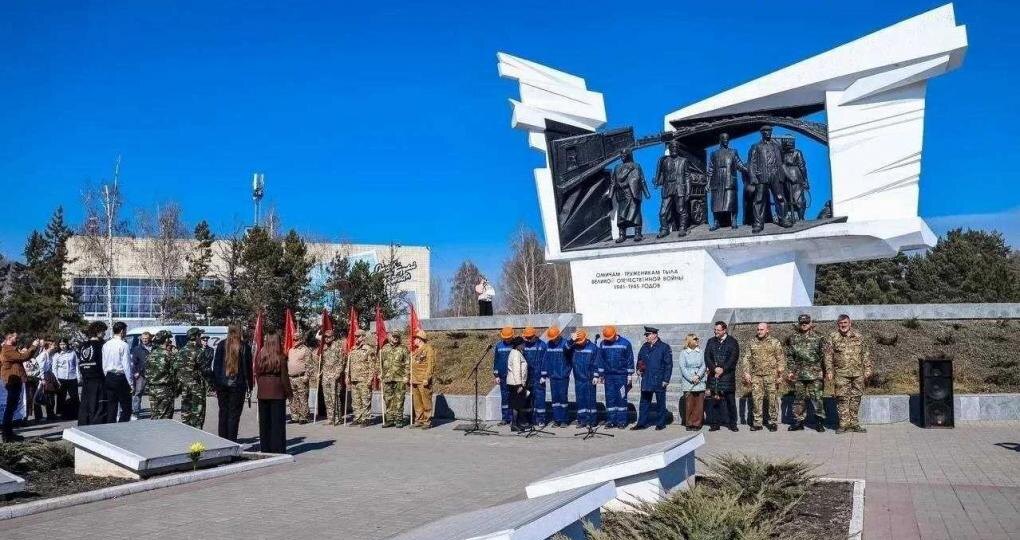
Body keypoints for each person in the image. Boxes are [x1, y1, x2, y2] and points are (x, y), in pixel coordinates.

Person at [826, 314, 872, 433]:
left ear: (850, 323)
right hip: (841, 373)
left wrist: (867, 369)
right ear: (838, 324)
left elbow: (865, 354)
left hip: (857, 373)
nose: (843, 325)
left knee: (856, 398)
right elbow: (828, 355)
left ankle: (854, 423)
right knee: (842, 398)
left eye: (845, 323)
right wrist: (829, 371)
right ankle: (843, 424)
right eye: (840, 323)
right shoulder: (833, 337)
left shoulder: (858, 336)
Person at [785, 314, 830, 432]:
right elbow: (790, 356)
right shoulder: (793, 338)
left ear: (810, 323)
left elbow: (826, 355)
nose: (804, 325)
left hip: (815, 374)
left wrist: (827, 371)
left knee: (817, 398)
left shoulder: (819, 337)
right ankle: (798, 422)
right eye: (801, 323)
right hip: (799, 374)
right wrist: (790, 371)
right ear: (799, 324)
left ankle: (819, 422)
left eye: (806, 322)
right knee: (799, 399)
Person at [741, 322, 786, 431]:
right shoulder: (752, 342)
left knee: (772, 399)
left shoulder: (774, 342)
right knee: (756, 399)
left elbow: (780, 358)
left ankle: (773, 422)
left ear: (767, 330)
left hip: (771, 375)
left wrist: (780, 375)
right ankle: (757, 423)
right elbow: (747, 358)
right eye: (758, 329)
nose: (759, 331)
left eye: (761, 329)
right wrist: (746, 372)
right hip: (756, 375)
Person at [746, 125, 789, 232]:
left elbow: (782, 162)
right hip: (762, 177)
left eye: (769, 130)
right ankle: (758, 223)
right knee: (759, 200)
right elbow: (751, 164)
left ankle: (783, 219)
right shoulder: (756, 146)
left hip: (776, 176)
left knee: (780, 198)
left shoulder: (777, 146)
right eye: (765, 131)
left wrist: (784, 176)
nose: (768, 132)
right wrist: (753, 177)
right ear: (761, 133)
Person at [212, 325, 251, 441]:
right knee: (234, 416)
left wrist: (216, 384)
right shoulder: (244, 347)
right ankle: (232, 441)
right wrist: (250, 386)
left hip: (222, 385)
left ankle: (222, 441)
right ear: (240, 332)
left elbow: (216, 366)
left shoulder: (221, 345)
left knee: (223, 413)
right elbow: (248, 368)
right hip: (238, 386)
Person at [255, 331, 292, 453]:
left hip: (263, 392)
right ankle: (278, 448)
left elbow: (257, 373)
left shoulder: (260, 356)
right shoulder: (281, 357)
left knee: (264, 422)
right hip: (277, 392)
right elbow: (284, 377)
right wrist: (289, 393)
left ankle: (265, 448)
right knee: (277, 422)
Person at [706, 132, 748, 230]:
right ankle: (716, 222)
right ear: (720, 140)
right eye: (724, 139)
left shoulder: (733, 152)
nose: (726, 141)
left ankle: (734, 221)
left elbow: (739, 164)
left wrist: (748, 170)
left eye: (727, 139)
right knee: (716, 203)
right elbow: (710, 169)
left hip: (729, 180)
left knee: (731, 201)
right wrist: (708, 183)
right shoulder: (714, 154)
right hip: (717, 181)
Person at [2, 333, 39, 442]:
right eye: (15, 337)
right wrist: (34, 346)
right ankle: (6, 436)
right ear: (9, 338)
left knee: (11, 409)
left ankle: (9, 434)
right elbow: (23, 357)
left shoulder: (11, 349)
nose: (17, 339)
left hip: (16, 381)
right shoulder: (7, 350)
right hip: (12, 381)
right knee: (9, 410)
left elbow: (25, 357)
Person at [633, 327, 672, 430]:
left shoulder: (664, 347)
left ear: (655, 335)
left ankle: (660, 423)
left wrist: (666, 379)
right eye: (646, 335)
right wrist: (638, 369)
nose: (646, 337)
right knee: (644, 402)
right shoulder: (644, 347)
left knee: (660, 403)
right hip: (646, 378)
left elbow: (668, 365)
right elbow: (640, 360)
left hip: (659, 379)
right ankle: (641, 423)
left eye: (648, 334)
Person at [596, 325, 634, 429]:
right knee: (610, 398)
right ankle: (611, 420)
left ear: (615, 335)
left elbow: (630, 359)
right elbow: (601, 360)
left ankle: (621, 421)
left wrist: (629, 376)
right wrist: (601, 375)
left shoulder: (625, 343)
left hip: (621, 376)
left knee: (621, 398)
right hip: (608, 376)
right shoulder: (603, 344)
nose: (608, 340)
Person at [609, 148, 650, 242]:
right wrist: (610, 196)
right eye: (621, 154)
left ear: (628, 155)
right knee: (621, 215)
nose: (622, 156)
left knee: (636, 214)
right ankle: (622, 235)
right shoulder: (617, 167)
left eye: (624, 154)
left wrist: (646, 193)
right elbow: (613, 182)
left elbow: (642, 180)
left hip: (633, 194)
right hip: (622, 194)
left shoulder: (636, 166)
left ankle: (638, 234)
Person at [705, 321, 739, 431]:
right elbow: (707, 357)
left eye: (718, 330)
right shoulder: (711, 341)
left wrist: (723, 369)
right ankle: (715, 424)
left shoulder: (732, 342)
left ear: (724, 330)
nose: (716, 332)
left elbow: (733, 358)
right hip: (713, 376)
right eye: (715, 330)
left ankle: (732, 424)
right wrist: (714, 368)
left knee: (730, 402)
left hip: (727, 377)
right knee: (714, 402)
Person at [654, 140, 691, 238]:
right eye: (671, 148)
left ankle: (682, 228)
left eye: (675, 147)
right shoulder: (665, 161)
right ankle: (664, 229)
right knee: (662, 212)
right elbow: (662, 176)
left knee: (681, 210)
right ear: (669, 149)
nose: (673, 149)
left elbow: (687, 176)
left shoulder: (684, 161)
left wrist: (688, 191)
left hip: (679, 189)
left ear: (677, 149)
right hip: (667, 189)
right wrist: (657, 181)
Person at [178, 327, 212, 429]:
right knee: (198, 416)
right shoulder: (198, 351)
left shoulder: (181, 351)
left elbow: (176, 368)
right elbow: (205, 369)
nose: (200, 338)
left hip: (184, 387)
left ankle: (185, 436)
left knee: (186, 414)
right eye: (199, 336)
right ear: (196, 337)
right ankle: (195, 440)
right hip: (197, 387)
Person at [101, 321, 133, 423]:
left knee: (111, 405)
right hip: (121, 376)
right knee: (126, 406)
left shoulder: (106, 344)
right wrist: (131, 382)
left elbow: (104, 363)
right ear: (122, 331)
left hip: (109, 376)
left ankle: (111, 427)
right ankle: (122, 426)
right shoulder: (124, 345)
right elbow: (126, 365)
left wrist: (107, 375)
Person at [77, 321, 107, 426]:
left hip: (86, 378)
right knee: (98, 404)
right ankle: (96, 424)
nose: (104, 334)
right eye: (103, 332)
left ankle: (83, 424)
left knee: (85, 403)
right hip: (97, 378)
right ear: (98, 332)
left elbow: (81, 362)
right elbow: (103, 363)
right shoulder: (101, 346)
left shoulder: (83, 346)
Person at [379, 331, 410, 428]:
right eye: (394, 336)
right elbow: (379, 362)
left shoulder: (403, 349)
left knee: (399, 400)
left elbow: (407, 363)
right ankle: (389, 419)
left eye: (397, 337)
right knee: (388, 399)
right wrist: (379, 373)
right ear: (390, 337)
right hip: (387, 378)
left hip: (400, 378)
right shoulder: (384, 348)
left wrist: (407, 376)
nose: (395, 338)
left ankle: (399, 420)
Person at [569, 329, 599, 428]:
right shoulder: (574, 347)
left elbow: (597, 362)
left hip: (589, 378)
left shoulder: (593, 348)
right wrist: (571, 340)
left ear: (586, 338)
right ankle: (582, 420)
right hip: (578, 378)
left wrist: (596, 375)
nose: (580, 344)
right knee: (580, 400)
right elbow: (565, 349)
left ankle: (592, 421)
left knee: (590, 400)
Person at [315, 328, 346, 425]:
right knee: (327, 398)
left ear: (332, 337)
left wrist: (337, 374)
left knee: (335, 397)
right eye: (325, 337)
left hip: (334, 376)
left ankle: (337, 418)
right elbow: (322, 361)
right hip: (325, 375)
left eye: (328, 337)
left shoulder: (338, 347)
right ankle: (330, 418)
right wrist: (320, 372)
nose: (326, 339)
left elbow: (342, 362)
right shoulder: (324, 347)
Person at [346, 329, 375, 426]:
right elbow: (349, 364)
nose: (356, 338)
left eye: (358, 336)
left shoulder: (368, 349)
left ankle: (366, 419)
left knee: (365, 400)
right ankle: (357, 418)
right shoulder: (353, 349)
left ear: (363, 337)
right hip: (354, 378)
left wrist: (370, 379)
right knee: (355, 400)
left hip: (364, 379)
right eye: (356, 336)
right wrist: (347, 376)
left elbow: (372, 366)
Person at [146, 330, 177, 420]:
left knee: (154, 416)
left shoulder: (151, 354)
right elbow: (174, 371)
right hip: (165, 389)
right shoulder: (168, 354)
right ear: (166, 339)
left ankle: (154, 434)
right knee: (165, 418)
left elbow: (146, 372)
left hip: (152, 389)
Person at [544, 326, 572, 427]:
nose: (553, 339)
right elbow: (545, 359)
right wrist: (545, 373)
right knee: (555, 399)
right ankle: (557, 419)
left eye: (554, 337)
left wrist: (566, 371)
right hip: (553, 376)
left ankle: (564, 420)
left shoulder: (565, 343)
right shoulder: (548, 345)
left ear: (558, 335)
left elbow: (569, 353)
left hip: (563, 376)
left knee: (563, 398)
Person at [409, 329, 436, 429]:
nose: (414, 340)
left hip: (423, 380)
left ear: (420, 339)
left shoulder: (428, 349)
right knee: (417, 402)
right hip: (415, 379)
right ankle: (419, 419)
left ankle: (427, 421)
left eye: (415, 338)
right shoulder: (416, 350)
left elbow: (431, 365)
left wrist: (427, 378)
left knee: (426, 401)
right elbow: (412, 365)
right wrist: (410, 377)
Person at [679, 334, 706, 430]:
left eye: (697, 339)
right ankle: (689, 423)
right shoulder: (684, 353)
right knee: (689, 403)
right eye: (695, 339)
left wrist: (698, 375)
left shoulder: (701, 352)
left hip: (699, 379)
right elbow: (683, 367)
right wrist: (691, 378)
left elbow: (703, 365)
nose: (697, 340)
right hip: (688, 381)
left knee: (699, 404)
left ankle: (697, 423)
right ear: (689, 341)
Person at [521, 327, 548, 426]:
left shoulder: (542, 345)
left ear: (534, 336)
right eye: (526, 337)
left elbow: (545, 361)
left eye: (529, 337)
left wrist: (544, 375)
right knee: (528, 398)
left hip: (538, 376)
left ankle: (541, 419)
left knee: (540, 398)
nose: (528, 339)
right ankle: (529, 419)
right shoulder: (523, 346)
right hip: (527, 377)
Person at [24, 340, 55, 423]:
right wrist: (42, 378)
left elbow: (38, 367)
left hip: (37, 378)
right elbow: (40, 367)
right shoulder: (43, 355)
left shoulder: (40, 356)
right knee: (33, 398)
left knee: (40, 397)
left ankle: (41, 416)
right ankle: (28, 417)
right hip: (34, 379)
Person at [287, 332, 314, 424]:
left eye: (297, 339)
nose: (295, 340)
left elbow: (310, 365)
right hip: (291, 377)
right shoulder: (290, 350)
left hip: (301, 377)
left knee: (302, 397)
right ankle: (295, 416)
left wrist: (307, 376)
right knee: (292, 397)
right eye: (294, 339)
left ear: (301, 339)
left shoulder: (306, 350)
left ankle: (304, 416)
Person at [491, 326, 516, 426]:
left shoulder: (515, 345)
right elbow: (496, 361)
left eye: (509, 337)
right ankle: (505, 418)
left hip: (513, 376)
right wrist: (496, 375)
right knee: (504, 397)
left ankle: (513, 418)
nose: (507, 339)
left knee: (513, 397)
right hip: (502, 376)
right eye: (505, 337)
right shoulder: (498, 346)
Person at [50, 338, 79, 421]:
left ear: (67, 344)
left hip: (72, 377)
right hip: (61, 378)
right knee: (61, 396)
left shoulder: (72, 353)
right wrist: (56, 379)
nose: (62, 346)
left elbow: (76, 365)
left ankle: (76, 412)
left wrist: (78, 376)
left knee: (74, 396)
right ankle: (60, 413)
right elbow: (54, 368)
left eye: (64, 344)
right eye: (61, 344)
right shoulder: (57, 355)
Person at [504, 336, 529, 432]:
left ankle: (517, 423)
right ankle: (514, 424)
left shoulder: (517, 353)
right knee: (516, 404)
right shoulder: (515, 354)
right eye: (523, 344)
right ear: (518, 345)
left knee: (518, 404)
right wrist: (519, 385)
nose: (524, 345)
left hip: (515, 382)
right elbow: (516, 370)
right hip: (515, 383)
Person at [130, 331, 153, 416]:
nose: (144, 340)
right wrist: (136, 372)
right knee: (138, 393)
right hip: (141, 374)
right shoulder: (137, 349)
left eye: (146, 338)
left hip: (153, 374)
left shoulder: (154, 348)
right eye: (143, 338)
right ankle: (136, 411)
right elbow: (133, 362)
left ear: (150, 338)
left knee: (153, 393)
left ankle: (154, 411)